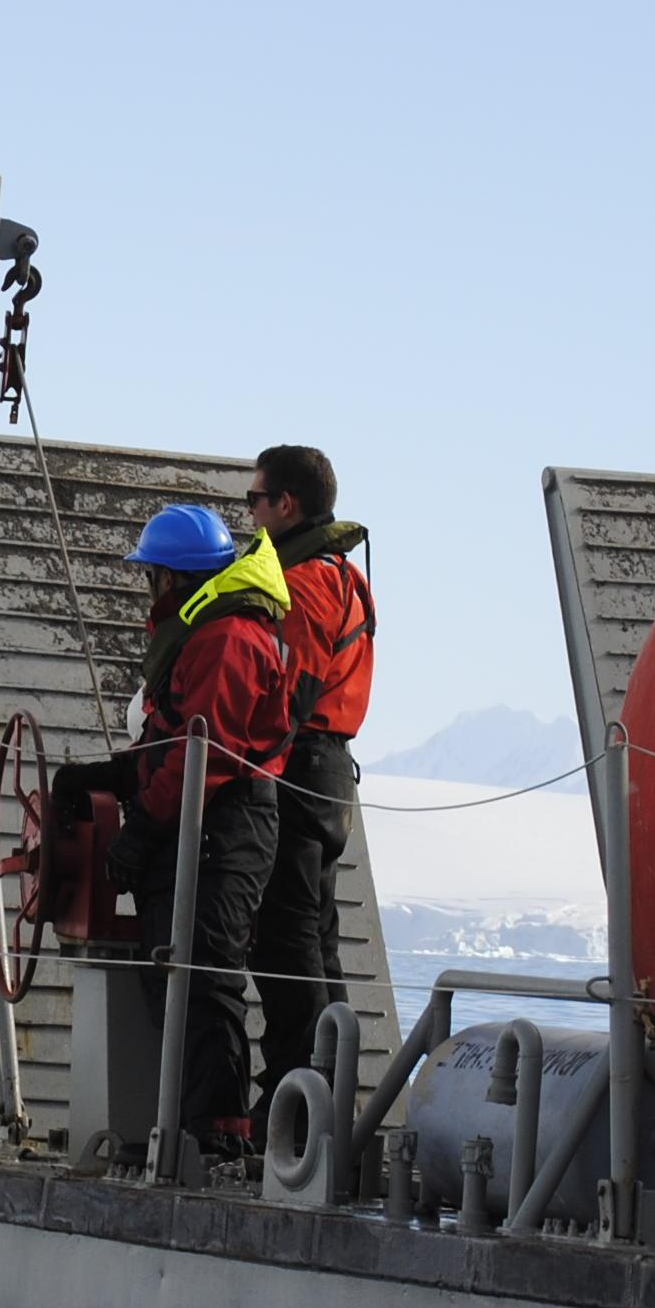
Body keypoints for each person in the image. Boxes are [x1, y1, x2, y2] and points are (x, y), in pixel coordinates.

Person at [104, 500, 289, 1161]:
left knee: (204, 978)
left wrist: (142, 829)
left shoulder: (225, 639)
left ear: (173, 578)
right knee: (176, 975)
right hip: (198, 826)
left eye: (152, 573)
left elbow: (200, 752)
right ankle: (190, 1125)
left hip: (220, 829)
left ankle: (216, 1133)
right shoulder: (207, 632)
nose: (148, 586)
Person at [248, 443, 374, 1103]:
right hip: (331, 774)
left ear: (286, 505)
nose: (250, 513)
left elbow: (287, 693)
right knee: (317, 940)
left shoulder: (302, 584)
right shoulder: (346, 578)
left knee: (285, 937)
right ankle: (328, 1095)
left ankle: (295, 1098)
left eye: (255, 500)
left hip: (299, 770)